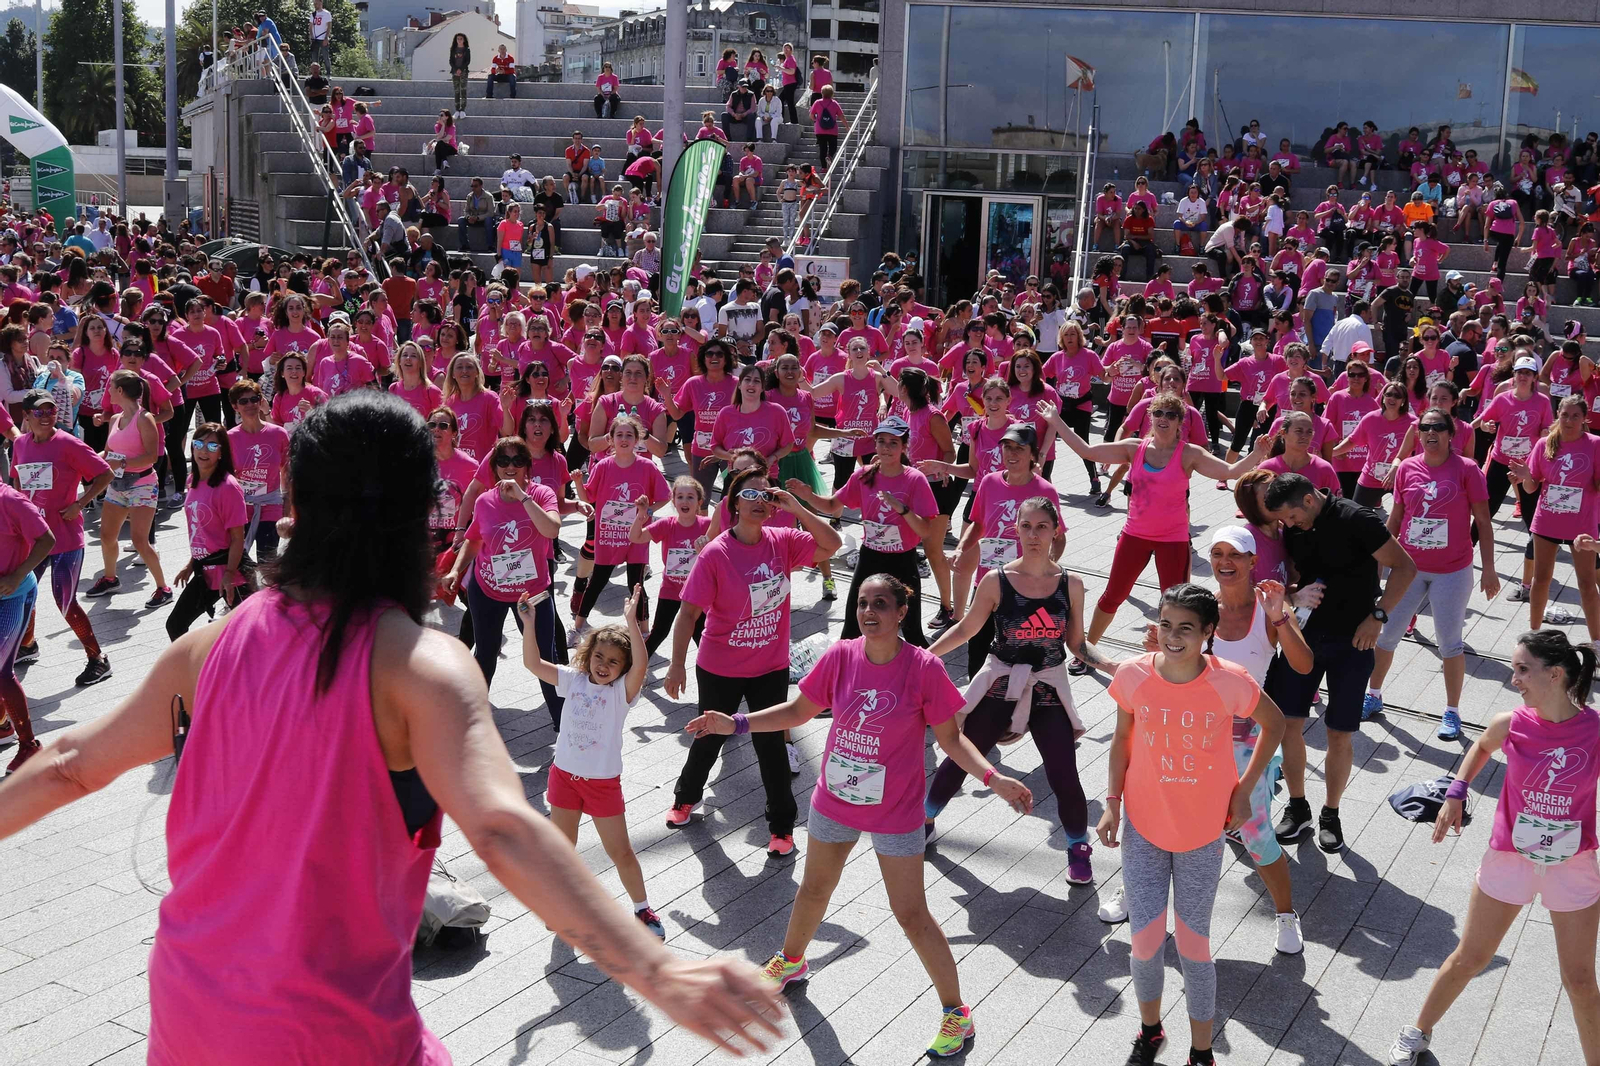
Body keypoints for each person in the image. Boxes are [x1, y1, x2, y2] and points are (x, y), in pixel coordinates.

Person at [0, 392, 787, 1056]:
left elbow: (70, 759)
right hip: (330, 1034)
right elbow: (504, 828)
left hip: (189, 1014)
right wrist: (653, 969)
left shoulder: (210, 644)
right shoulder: (422, 666)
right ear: (423, 515)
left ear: (295, 507)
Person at [686, 572, 1029, 1057]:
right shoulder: (841, 655)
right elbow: (799, 711)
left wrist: (995, 780)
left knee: (911, 913)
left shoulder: (924, 668)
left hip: (896, 810)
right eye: (863, 603)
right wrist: (736, 721)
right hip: (836, 799)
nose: (869, 612)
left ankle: (957, 1014)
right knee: (813, 889)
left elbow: (952, 740)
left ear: (901, 612)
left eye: (881, 604)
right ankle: (792, 960)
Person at [1388, 629, 1600, 1066]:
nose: (1514, 679)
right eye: (1513, 669)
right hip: (1510, 857)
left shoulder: (1594, 731)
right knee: (1471, 957)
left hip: (1573, 863)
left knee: (1580, 981)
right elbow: (1482, 746)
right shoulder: (1511, 722)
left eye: (1523, 670)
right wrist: (1456, 792)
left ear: (1555, 674)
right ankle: (1417, 1032)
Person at [1099, 584, 1286, 1066]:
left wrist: (1244, 789)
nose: (1173, 636)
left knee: (1193, 945)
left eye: (1186, 628)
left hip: (1202, 831)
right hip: (1143, 824)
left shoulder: (1231, 680)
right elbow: (1121, 741)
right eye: (1166, 624)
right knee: (1143, 942)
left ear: (1208, 632)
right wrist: (1112, 801)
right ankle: (1150, 1031)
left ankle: (1201, 1054)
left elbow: (1276, 723)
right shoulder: (1132, 675)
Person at [923, 494, 1110, 883]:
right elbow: (967, 628)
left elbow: (1076, 643)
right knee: (960, 758)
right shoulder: (997, 580)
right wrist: (924, 656)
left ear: (1056, 531)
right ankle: (923, 820)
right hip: (1000, 684)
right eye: (1026, 526)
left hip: (1046, 689)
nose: (1033, 535)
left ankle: (1078, 848)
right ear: (1015, 530)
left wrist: (1110, 664)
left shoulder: (1071, 584)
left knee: (1065, 775)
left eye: (1042, 526)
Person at [662, 465, 842, 856]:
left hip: (769, 667)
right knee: (709, 737)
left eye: (767, 495)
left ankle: (781, 828)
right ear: (734, 504)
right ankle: (684, 799)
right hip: (720, 666)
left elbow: (832, 544)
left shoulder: (783, 541)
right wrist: (676, 665)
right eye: (751, 495)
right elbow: (688, 614)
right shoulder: (716, 554)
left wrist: (799, 506)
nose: (761, 502)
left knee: (772, 746)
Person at [1038, 395, 1270, 653]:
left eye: (1171, 415)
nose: (1164, 419)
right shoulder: (1134, 448)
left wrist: (1257, 454)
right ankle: (1086, 652)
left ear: (1180, 422)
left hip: (1173, 541)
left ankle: (1171, 659)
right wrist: (1056, 421)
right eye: (1159, 413)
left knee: (1177, 606)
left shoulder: (1189, 453)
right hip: (1134, 536)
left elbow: (1229, 471)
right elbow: (1087, 451)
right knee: (1112, 596)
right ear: (1151, 416)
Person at [1263, 472, 1418, 852]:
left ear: (1310, 501)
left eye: (1293, 517)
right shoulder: (1297, 529)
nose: (1290, 526)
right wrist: (1295, 594)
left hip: (1355, 640)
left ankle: (1331, 813)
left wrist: (1379, 616)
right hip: (1305, 638)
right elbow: (1296, 577)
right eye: (1285, 521)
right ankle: (1298, 807)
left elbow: (1406, 566)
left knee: (1339, 732)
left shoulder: (1357, 519)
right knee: (1288, 725)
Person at [520, 582, 666, 938]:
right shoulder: (573, 680)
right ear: (588, 656)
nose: (604, 665)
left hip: (602, 784)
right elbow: (531, 663)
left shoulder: (622, 693)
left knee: (621, 851)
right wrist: (528, 623)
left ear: (623, 669)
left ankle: (642, 909)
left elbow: (642, 666)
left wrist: (632, 621)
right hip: (564, 778)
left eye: (615, 661)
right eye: (599, 656)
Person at [1362, 409, 1497, 742]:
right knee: (1387, 635)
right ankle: (1373, 694)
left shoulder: (1468, 470)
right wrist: (1377, 568)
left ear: (1451, 434)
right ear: (1418, 434)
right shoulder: (1407, 467)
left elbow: (1483, 521)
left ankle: (1452, 712)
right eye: (1425, 428)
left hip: (1452, 570)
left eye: (1438, 427)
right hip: (1409, 568)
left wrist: (1490, 570)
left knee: (1449, 643)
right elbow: (1394, 521)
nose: (1431, 433)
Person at [787, 416, 937, 646]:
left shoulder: (914, 479)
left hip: (902, 560)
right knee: (851, 626)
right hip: (870, 556)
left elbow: (926, 530)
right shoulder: (864, 476)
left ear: (904, 446)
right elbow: (831, 505)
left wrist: (902, 510)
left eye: (893, 443)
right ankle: (844, 675)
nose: (886, 448)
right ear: (874, 444)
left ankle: (927, 675)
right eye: (882, 441)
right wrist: (808, 496)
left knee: (912, 629)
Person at [11, 390, 112, 686]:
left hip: (66, 538)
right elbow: (17, 484)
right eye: (39, 412)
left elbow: (104, 474)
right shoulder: (19, 444)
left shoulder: (68, 443)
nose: (46, 417)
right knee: (22, 592)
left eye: (51, 411)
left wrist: (80, 503)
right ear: (26, 416)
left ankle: (98, 659)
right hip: (34, 538)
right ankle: (27, 645)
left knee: (65, 601)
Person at [1510, 395, 1600, 646]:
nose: (1569, 420)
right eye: (1565, 415)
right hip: (1547, 521)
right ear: (1557, 416)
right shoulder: (1544, 444)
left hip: (1581, 526)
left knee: (1586, 582)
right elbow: (1530, 488)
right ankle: (1534, 637)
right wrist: (1525, 475)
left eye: (1575, 416)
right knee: (1541, 579)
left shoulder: (1594, 444)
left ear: (1584, 419)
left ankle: (1597, 642)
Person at [87, 369, 169, 606]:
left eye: (110, 387)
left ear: (120, 391)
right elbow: (108, 452)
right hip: (117, 485)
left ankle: (163, 588)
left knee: (140, 540)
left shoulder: (145, 418)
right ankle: (110, 579)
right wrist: (90, 459)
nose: (108, 391)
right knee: (107, 535)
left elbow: (152, 457)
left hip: (142, 484)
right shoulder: (114, 419)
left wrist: (120, 462)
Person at [167, 423, 250, 640]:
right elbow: (201, 531)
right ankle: (199, 673)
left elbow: (237, 538)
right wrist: (190, 564)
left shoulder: (228, 487)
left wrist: (230, 574)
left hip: (231, 570)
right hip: (205, 569)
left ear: (222, 452)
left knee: (248, 635)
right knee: (176, 626)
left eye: (212, 446)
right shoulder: (192, 480)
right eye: (198, 444)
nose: (204, 451)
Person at [0, 473, 51, 772]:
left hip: (12, 596)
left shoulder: (10, 500)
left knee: (3, 673)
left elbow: (47, 539)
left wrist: (17, 575)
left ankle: (30, 746)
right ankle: (4, 726)